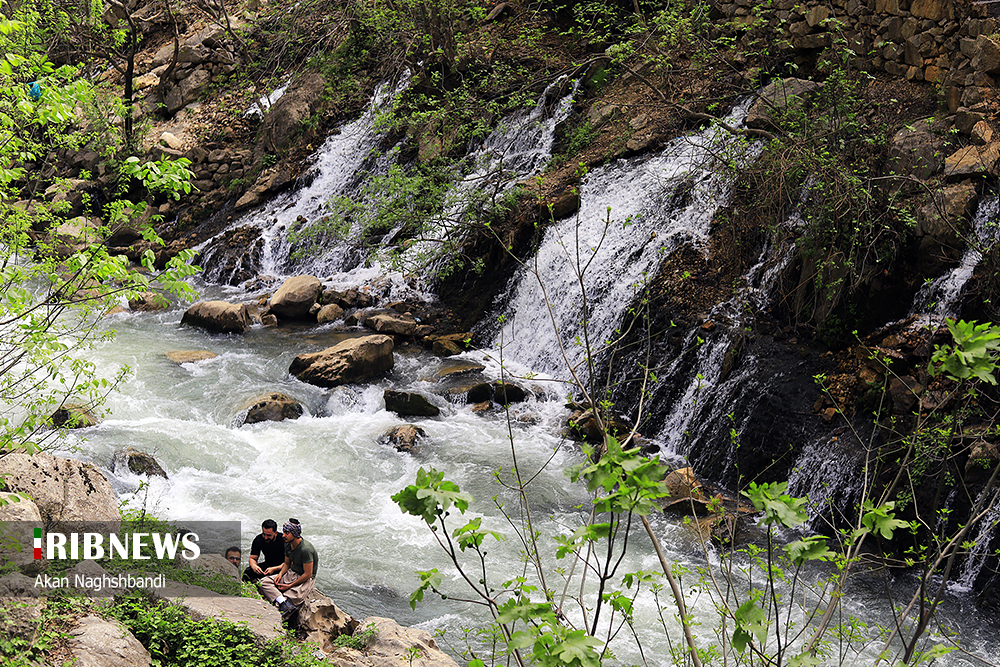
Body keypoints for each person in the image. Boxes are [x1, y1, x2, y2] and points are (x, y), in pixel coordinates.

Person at [259, 519, 319, 619]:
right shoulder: (288, 544)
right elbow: (287, 563)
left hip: (304, 579)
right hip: (291, 573)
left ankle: (283, 604)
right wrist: (280, 575)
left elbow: (308, 574)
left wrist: (289, 586)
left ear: (295, 534)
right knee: (263, 582)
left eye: (287, 533)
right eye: (284, 532)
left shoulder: (306, 550)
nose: (283, 535)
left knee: (278, 608)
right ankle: (284, 602)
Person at [243, 519, 285, 583]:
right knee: (248, 572)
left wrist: (274, 569)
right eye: (264, 534)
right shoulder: (259, 540)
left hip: (282, 567)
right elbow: (253, 558)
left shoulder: (283, 540)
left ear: (275, 533)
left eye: (269, 535)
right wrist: (254, 566)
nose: (265, 538)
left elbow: (289, 562)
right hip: (268, 565)